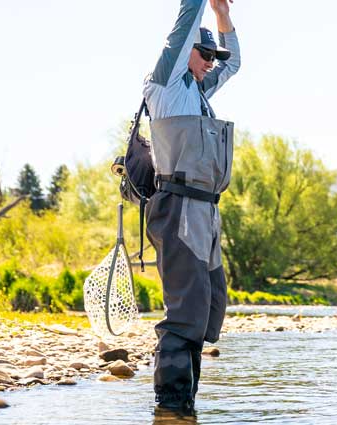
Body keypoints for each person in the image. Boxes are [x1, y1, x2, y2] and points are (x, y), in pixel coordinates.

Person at [143, 0, 241, 415]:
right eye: (205, 56)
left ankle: (185, 408)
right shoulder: (165, 84)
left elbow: (233, 64)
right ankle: (171, 407)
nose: (210, 64)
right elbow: (183, 26)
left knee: (208, 308)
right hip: (179, 208)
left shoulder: (199, 92)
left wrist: (222, 17)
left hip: (206, 213)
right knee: (186, 311)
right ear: (186, 54)